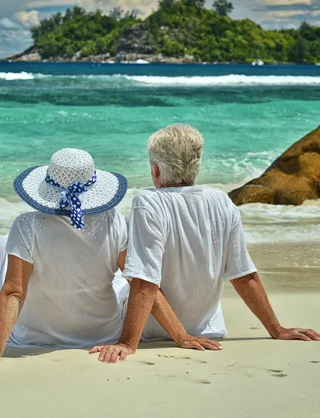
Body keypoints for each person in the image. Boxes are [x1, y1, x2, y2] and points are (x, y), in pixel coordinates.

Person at [91, 124, 320, 364]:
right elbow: (243, 276)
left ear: (155, 170)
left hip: (152, 331)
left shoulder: (148, 202)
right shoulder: (222, 201)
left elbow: (145, 281)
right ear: (197, 166)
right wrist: (277, 329)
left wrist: (128, 343)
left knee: (119, 277)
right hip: (207, 330)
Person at [0, 148, 189, 368]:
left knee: (1, 250)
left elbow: (14, 292)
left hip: (36, 338)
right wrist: (181, 336)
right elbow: (140, 282)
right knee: (119, 281)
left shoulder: (27, 225)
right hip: (103, 334)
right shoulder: (113, 220)